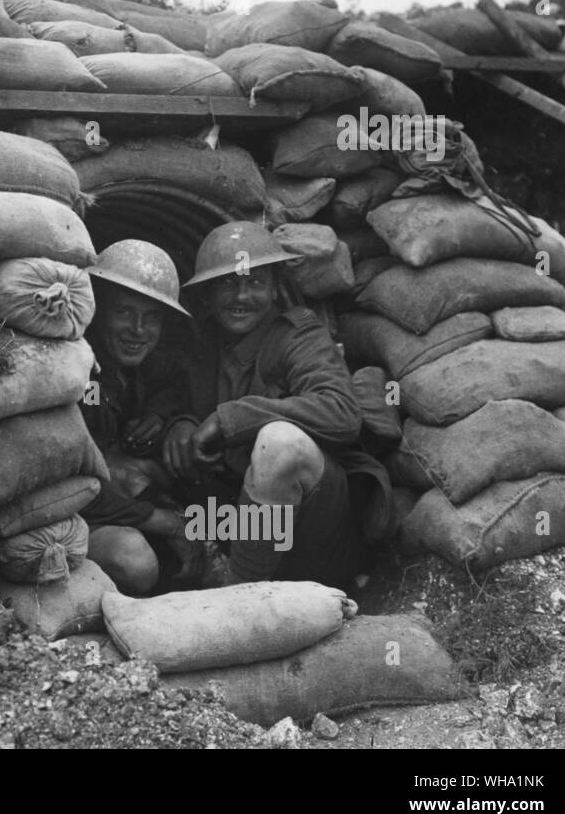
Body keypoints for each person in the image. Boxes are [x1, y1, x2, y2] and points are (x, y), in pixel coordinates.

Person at [157, 220, 390, 590]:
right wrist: (178, 424)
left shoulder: (299, 336)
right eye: (228, 283)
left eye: (255, 283)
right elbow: (165, 392)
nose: (241, 296)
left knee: (279, 443)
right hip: (238, 524)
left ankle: (239, 600)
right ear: (207, 292)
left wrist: (231, 419)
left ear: (275, 288)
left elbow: (341, 413)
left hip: (314, 537)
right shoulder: (203, 343)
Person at [77, 239, 204, 595]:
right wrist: (161, 521)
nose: (138, 330)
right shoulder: (76, 373)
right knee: (137, 563)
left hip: (106, 491)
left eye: (151, 318)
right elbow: (75, 485)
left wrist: (162, 414)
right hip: (66, 509)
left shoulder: (129, 362)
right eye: (124, 313)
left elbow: (172, 379)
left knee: (150, 472)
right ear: (97, 310)